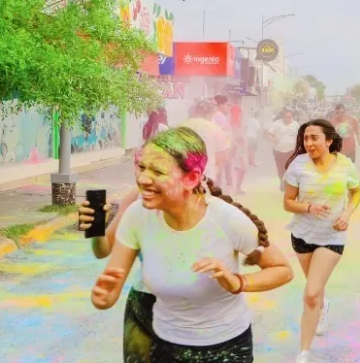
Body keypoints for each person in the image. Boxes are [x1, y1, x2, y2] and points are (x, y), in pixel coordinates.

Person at [89, 127, 293, 362]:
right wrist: (102, 298)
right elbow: (109, 289)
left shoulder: (226, 219)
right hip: (165, 345)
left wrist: (238, 282)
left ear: (192, 178)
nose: (143, 179)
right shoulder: (137, 215)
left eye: (158, 171)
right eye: (142, 167)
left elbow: (282, 270)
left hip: (226, 348)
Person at [282, 120, 360, 363]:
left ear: (328, 140)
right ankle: (322, 305)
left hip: (332, 236)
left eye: (314, 138)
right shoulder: (298, 165)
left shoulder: (345, 165)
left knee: (310, 293)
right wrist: (309, 207)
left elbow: (356, 193)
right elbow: (288, 202)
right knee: (315, 287)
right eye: (305, 138)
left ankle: (303, 352)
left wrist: (346, 214)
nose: (308, 143)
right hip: (302, 235)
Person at [79, 186, 148, 362]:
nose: (143, 178)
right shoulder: (136, 198)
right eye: (140, 171)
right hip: (145, 307)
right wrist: (96, 229)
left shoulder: (211, 203)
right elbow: (103, 250)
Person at [267, 109, 300, 191]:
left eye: (290, 117)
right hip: (279, 151)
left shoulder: (295, 124)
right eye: (286, 117)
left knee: (290, 168)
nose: (288, 119)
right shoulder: (277, 124)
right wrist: (274, 140)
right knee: (281, 169)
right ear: (282, 117)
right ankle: (282, 181)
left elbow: (300, 136)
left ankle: (290, 184)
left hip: (291, 151)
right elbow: (268, 134)